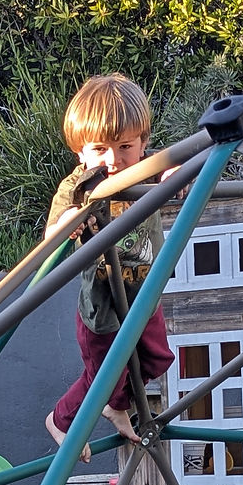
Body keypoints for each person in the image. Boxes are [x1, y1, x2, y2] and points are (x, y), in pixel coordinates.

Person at [45, 73, 176, 464]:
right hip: (102, 305)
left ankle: (116, 407)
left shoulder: (146, 168)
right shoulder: (79, 187)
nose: (114, 160)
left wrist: (175, 176)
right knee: (104, 377)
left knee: (156, 359)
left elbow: (174, 167)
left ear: (143, 143)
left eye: (125, 146)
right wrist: (70, 221)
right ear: (80, 149)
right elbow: (52, 234)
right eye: (100, 148)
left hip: (143, 295)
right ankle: (61, 419)